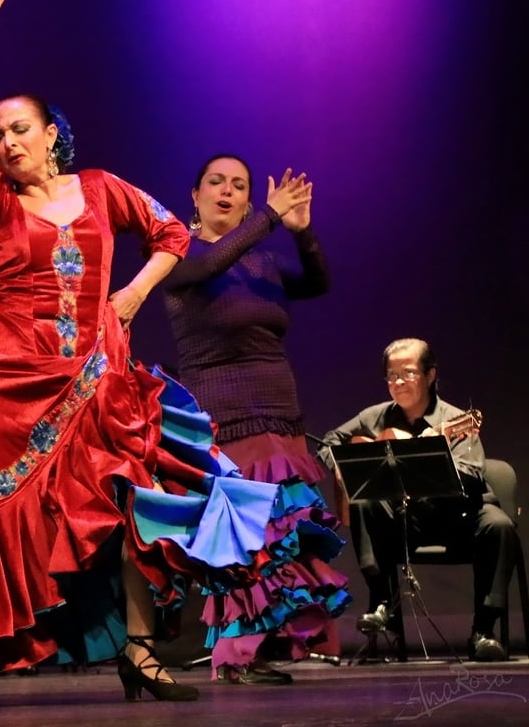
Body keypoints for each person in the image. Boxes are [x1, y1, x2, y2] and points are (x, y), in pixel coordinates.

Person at [0, 0, 329, 710]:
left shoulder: (99, 189)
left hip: (100, 374)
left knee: (132, 499)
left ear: (50, 134)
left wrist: (129, 296)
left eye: (18, 129)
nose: (5, 141)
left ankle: (139, 652)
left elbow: (172, 236)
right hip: (10, 378)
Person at [162, 155, 350, 684]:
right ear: (194, 195)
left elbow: (317, 281)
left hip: (278, 410)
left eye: (239, 186)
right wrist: (266, 217)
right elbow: (208, 267)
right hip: (224, 414)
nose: (227, 191)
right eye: (216, 182)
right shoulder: (176, 253)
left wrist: (301, 232)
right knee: (245, 538)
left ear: (246, 200)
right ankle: (232, 654)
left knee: (280, 534)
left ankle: (261, 648)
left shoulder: (262, 262)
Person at [318, 337, 517, 661]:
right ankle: (382, 603)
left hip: (455, 518)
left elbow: (471, 475)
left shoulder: (455, 420)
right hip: (403, 522)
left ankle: (484, 631)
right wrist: (341, 467)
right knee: (365, 499)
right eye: (392, 375)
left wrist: (430, 457)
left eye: (408, 373)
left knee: (498, 525)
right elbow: (328, 441)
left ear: (430, 375)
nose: (398, 382)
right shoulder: (376, 417)